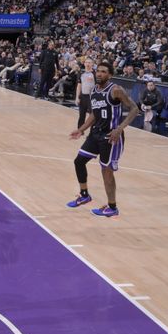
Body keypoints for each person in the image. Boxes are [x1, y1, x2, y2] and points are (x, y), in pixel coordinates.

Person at [67, 61, 139, 217]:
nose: (99, 73)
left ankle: (112, 207)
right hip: (95, 134)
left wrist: (120, 129)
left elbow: (134, 109)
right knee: (79, 161)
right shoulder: (93, 91)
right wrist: (81, 129)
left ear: (110, 75)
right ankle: (84, 195)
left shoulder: (116, 90)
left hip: (110, 136)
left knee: (106, 172)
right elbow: (94, 114)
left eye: (103, 71)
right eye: (98, 71)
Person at [76, 59, 95, 129]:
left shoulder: (95, 73)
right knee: (81, 114)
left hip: (91, 97)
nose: (88, 64)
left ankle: (93, 129)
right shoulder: (81, 73)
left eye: (89, 62)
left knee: (92, 114)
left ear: (92, 64)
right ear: (84, 64)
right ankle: (80, 129)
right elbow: (79, 86)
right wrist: (77, 97)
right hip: (83, 96)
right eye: (86, 62)